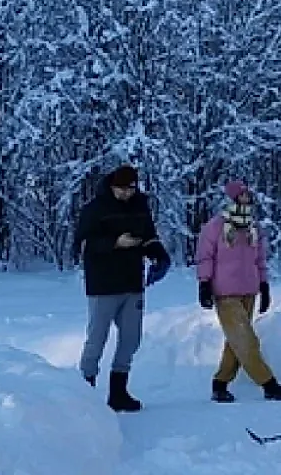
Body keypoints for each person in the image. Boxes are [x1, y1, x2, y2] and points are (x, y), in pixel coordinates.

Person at [72, 164, 171, 412]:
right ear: (112, 186)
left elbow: (149, 235)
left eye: (130, 189)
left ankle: (118, 392)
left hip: (132, 283)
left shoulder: (140, 206)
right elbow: (84, 245)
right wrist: (115, 243)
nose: (126, 194)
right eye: (121, 189)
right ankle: (86, 390)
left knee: (130, 339)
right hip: (102, 284)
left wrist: (160, 256)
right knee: (97, 338)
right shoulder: (95, 209)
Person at [196, 179, 281, 403]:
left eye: (248, 196)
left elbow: (259, 260)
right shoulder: (216, 226)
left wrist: (264, 285)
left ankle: (220, 384)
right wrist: (204, 283)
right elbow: (205, 257)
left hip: (249, 290)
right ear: (232, 198)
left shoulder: (253, 228)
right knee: (246, 340)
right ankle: (269, 384)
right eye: (242, 196)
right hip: (225, 292)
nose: (247, 199)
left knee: (235, 342)